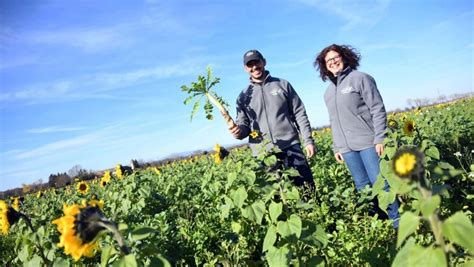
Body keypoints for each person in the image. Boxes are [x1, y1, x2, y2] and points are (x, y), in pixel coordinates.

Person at [313, 44, 400, 228]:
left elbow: (377, 108)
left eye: (336, 57)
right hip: (348, 149)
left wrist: (380, 138)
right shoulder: (328, 92)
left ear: (344, 57)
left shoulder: (360, 78)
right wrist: (337, 147)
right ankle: (379, 226)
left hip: (369, 143)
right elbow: (334, 121)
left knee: (382, 185)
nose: (333, 62)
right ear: (324, 65)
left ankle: (397, 224)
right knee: (363, 188)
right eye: (328, 60)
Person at [228, 49, 316, 189]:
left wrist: (308, 140)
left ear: (264, 62)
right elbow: (244, 125)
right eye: (250, 65)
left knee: (306, 188)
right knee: (275, 196)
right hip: (264, 153)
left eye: (257, 62)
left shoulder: (282, 85)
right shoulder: (243, 96)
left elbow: (299, 113)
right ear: (246, 69)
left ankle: (315, 211)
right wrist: (239, 131)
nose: (255, 67)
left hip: (290, 146)